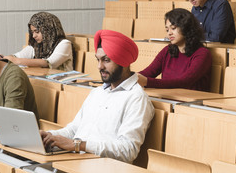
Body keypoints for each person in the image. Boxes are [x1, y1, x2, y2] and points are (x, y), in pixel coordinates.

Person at [41, 30, 154, 163]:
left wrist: (79, 145)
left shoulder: (137, 98)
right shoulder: (97, 92)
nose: (99, 66)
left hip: (102, 171)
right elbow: (74, 130)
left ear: (123, 62)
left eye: (106, 60)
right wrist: (49, 135)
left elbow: (128, 150)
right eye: (98, 59)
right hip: (75, 161)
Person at [137, 8, 212, 91]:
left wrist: (147, 82)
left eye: (173, 28)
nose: (169, 33)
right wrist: (130, 77)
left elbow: (185, 82)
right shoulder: (167, 50)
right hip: (168, 99)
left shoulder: (202, 54)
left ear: (186, 28)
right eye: (167, 29)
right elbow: (148, 73)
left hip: (190, 102)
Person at [0, 12, 73, 71]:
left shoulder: (64, 44)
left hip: (64, 86)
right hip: (45, 83)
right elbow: (17, 56)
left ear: (48, 30)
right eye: (32, 32)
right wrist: (3, 58)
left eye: (37, 31)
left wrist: (16, 61)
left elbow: (48, 63)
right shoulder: (37, 46)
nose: (34, 36)